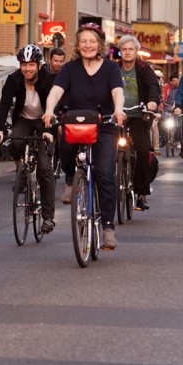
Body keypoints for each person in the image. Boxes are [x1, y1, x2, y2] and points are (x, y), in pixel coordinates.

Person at [42, 23, 126, 250]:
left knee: (106, 175)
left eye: (92, 41)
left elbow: (118, 91)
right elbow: (56, 91)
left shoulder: (110, 68)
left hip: (105, 125)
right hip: (76, 122)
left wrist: (118, 110)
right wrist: (49, 110)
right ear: (78, 45)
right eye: (83, 41)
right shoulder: (70, 68)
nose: (87, 45)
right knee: (66, 146)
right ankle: (71, 179)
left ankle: (108, 227)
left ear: (100, 45)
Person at [0, 45, 57, 233]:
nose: (27, 69)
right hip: (24, 119)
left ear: (38, 65)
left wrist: (51, 129)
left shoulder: (48, 79)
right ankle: (21, 167)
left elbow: (56, 104)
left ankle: (48, 218)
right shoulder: (14, 80)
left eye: (31, 64)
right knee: (15, 140)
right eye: (23, 64)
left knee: (45, 168)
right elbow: (4, 104)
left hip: (45, 120)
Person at [116, 35, 160, 210]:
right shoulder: (113, 68)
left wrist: (152, 101)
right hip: (117, 115)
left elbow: (153, 86)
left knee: (142, 150)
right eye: (124, 49)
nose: (127, 52)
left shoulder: (143, 68)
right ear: (120, 52)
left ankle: (141, 192)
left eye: (130, 49)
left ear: (136, 51)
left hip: (138, 115)